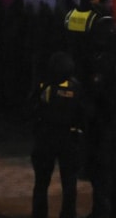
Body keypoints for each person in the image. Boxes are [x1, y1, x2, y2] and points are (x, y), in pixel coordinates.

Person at [84, 16, 116, 218]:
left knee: (102, 169)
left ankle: (101, 210)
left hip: (105, 122)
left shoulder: (103, 62)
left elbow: (96, 92)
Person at [30, 51, 85, 218]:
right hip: (69, 139)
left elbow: (32, 108)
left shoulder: (44, 87)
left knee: (41, 181)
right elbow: (83, 113)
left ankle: (39, 214)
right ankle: (68, 214)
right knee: (69, 182)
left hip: (46, 138)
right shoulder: (77, 88)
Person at [64, 0, 112, 84]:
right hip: (91, 71)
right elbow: (103, 46)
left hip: (72, 67)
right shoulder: (96, 17)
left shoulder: (69, 15)